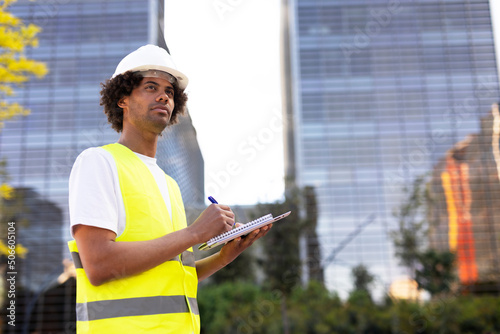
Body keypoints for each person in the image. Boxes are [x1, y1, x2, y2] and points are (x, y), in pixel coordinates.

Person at [67, 44, 271, 334]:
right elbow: (99, 265)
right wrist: (195, 233)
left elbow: (172, 276)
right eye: (151, 87)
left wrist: (225, 256)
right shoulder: (98, 162)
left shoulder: (169, 185)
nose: (164, 95)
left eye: (170, 92)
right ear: (122, 98)